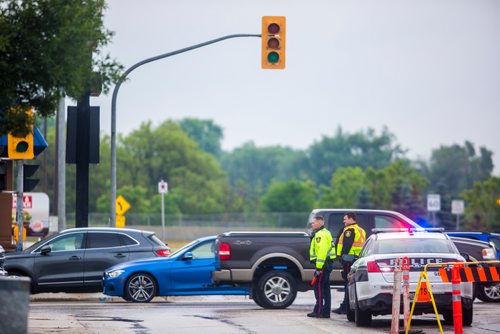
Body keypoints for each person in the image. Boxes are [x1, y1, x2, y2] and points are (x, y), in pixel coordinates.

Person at [332, 212, 366, 314]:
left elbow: (346, 246)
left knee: (348, 284)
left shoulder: (349, 230)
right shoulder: (361, 230)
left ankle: (345, 307)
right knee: (352, 284)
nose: (344, 221)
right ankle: (348, 306)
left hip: (349, 260)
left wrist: (342, 258)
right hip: (357, 259)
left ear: (351, 219)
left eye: (345, 219)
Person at [307, 215, 336, 318]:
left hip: (323, 265)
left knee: (318, 287)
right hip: (327, 264)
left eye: (314, 222)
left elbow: (322, 251)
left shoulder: (320, 235)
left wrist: (319, 267)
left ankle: (318, 311)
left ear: (319, 223)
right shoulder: (326, 232)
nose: (312, 224)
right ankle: (326, 312)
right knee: (325, 288)